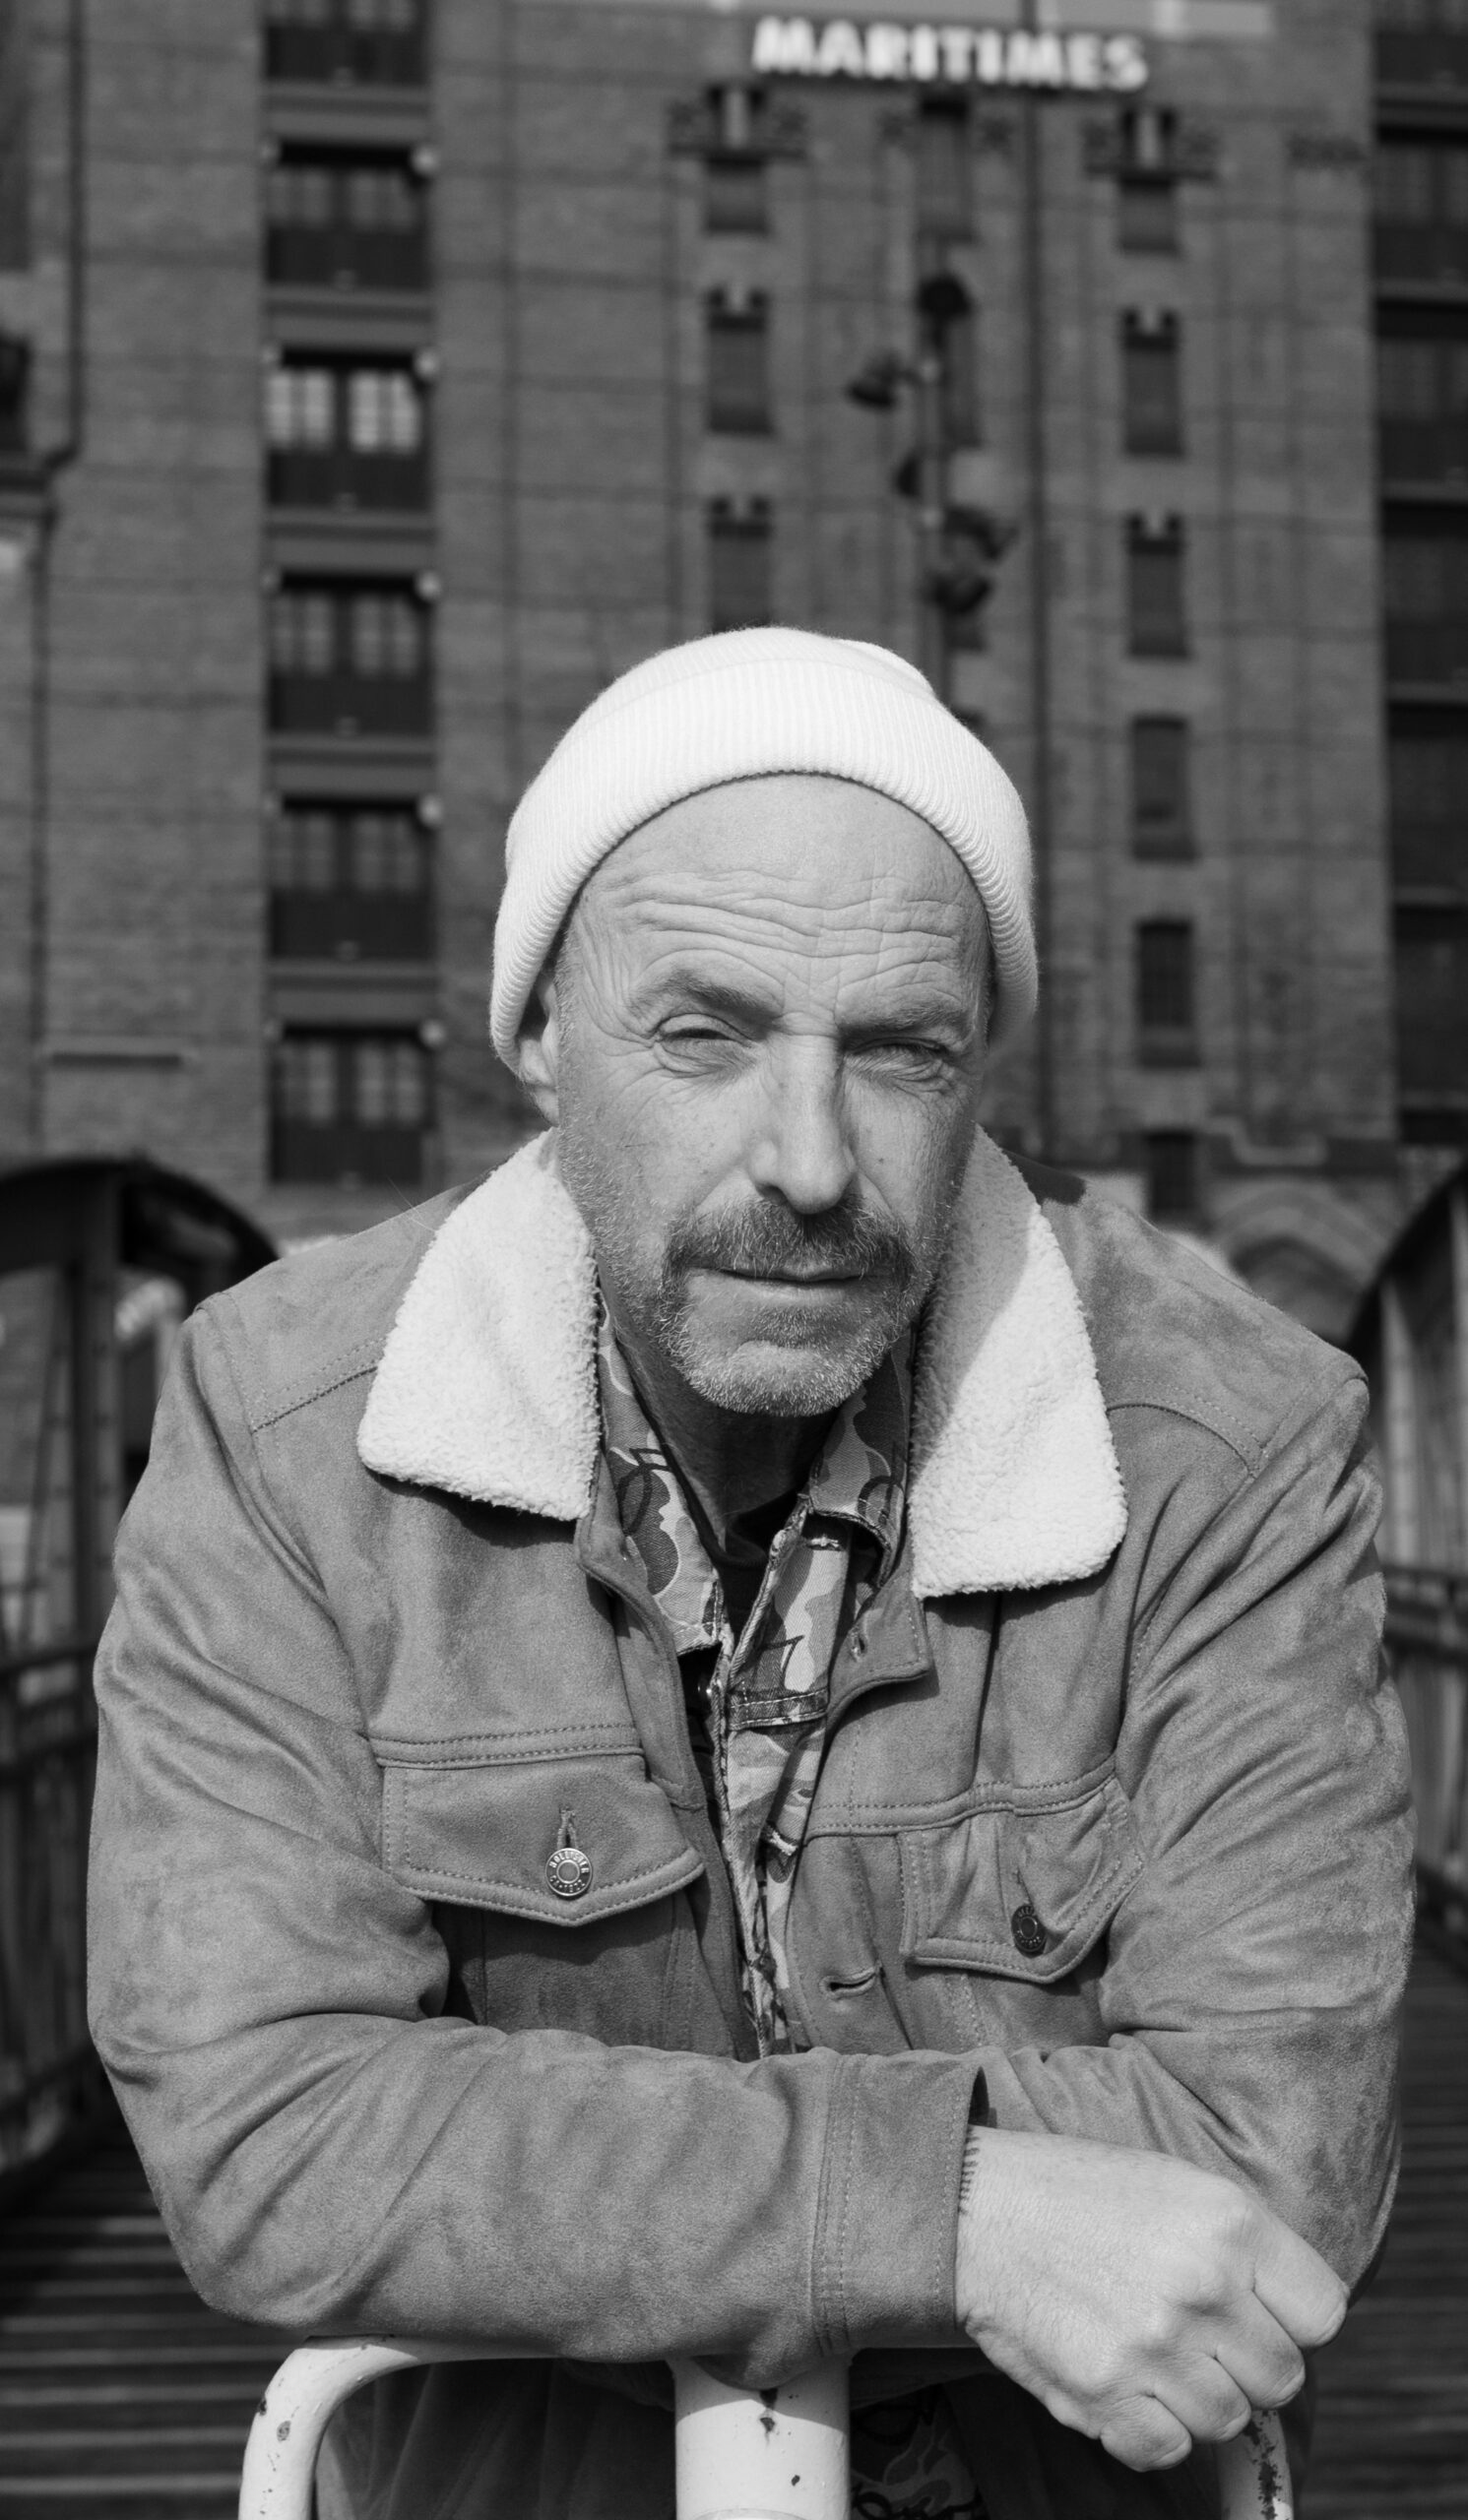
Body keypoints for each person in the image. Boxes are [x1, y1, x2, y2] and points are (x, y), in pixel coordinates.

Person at [89, 629, 1414, 2520]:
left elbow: (1274, 2149)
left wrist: (533, 2178)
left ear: (981, 1065)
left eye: (898, 1050)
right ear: (540, 1038)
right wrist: (959, 2210)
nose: (809, 1162)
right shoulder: (290, 1425)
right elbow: (268, 2130)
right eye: (703, 1036)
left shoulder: (1225, 1438)